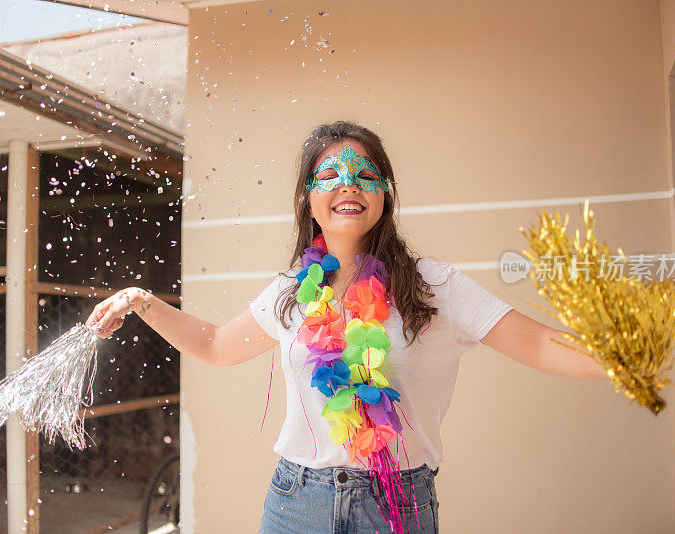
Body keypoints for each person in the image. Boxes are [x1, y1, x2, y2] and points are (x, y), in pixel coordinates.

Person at [85, 121, 608, 533]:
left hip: (397, 506)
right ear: (309, 197)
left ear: (385, 191)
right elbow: (218, 345)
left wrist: (622, 358)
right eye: (330, 174)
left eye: (363, 174)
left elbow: (537, 344)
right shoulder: (293, 289)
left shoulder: (434, 286)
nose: (347, 185)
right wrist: (142, 302)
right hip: (297, 502)